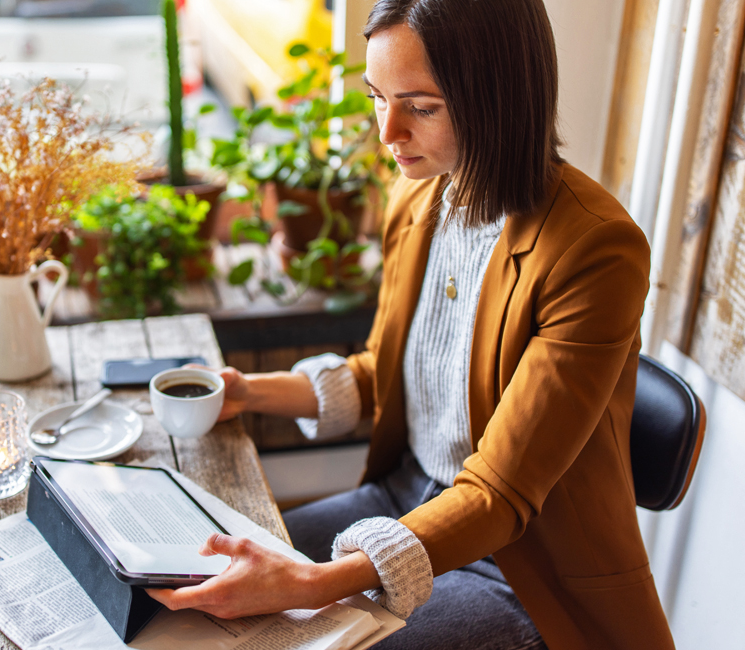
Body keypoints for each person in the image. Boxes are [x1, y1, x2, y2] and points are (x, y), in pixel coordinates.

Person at [149, 1, 675, 648]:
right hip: (405, 496)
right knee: (197, 582)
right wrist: (251, 393)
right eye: (378, 97)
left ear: (499, 97)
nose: (388, 130)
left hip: (520, 562)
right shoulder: (421, 196)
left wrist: (310, 585)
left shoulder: (594, 251)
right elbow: (382, 372)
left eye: (421, 107)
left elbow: (500, 496)